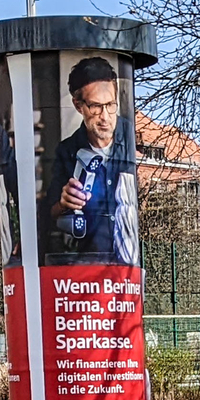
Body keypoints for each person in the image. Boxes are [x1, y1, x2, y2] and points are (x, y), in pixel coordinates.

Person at [49, 57, 139, 266]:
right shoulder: (67, 152)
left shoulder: (134, 138)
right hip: (89, 266)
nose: (105, 117)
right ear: (78, 105)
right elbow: (47, 213)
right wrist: (63, 204)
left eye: (110, 105)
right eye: (96, 107)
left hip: (130, 269)